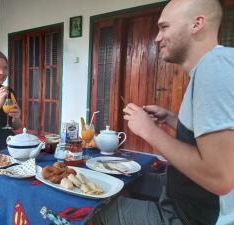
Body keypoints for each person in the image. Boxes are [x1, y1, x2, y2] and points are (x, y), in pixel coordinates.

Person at [92, 0, 234, 224]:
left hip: (185, 216)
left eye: (164, 27)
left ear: (197, 24)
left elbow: (221, 178)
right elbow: (213, 142)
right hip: (177, 194)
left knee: (91, 211)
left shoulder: (213, 67)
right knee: (115, 178)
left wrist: (149, 131)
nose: (157, 38)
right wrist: (170, 119)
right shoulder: (213, 67)